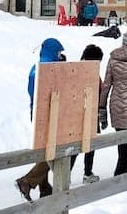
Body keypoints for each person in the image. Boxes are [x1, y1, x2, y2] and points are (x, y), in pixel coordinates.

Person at [16, 38, 66, 201]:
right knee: (53, 151)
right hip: (49, 113)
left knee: (43, 148)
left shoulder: (35, 68)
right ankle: (27, 181)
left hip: (35, 111)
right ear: (53, 52)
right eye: (59, 53)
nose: (60, 55)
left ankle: (44, 188)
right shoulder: (50, 69)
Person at [99, 32, 127, 175]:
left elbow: (106, 85)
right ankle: (123, 173)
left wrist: (101, 108)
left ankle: (125, 171)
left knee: (122, 141)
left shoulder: (113, 59)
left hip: (116, 103)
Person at [73, 44, 104, 183]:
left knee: (75, 146)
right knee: (90, 145)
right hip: (89, 113)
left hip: (77, 114)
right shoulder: (90, 71)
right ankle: (87, 173)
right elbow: (99, 90)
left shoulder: (76, 68)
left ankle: (67, 173)